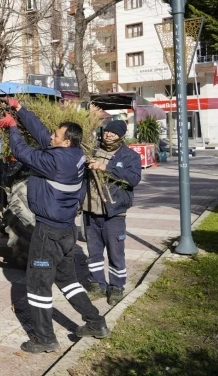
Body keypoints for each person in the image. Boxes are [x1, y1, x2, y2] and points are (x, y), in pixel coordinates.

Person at [0, 99, 110, 353]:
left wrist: (13, 127)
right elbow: (42, 136)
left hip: (49, 233)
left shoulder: (54, 162)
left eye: (56, 135)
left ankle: (44, 339)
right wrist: (21, 110)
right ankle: (96, 322)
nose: (51, 136)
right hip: (66, 230)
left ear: (66, 141)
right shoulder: (75, 154)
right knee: (68, 281)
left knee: (37, 284)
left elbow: (23, 152)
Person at [83, 119, 141, 306]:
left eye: (113, 133)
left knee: (116, 252)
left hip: (113, 213)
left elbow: (133, 179)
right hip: (90, 211)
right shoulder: (91, 152)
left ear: (122, 136)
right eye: (107, 131)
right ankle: (97, 284)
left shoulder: (129, 156)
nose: (108, 134)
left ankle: (116, 287)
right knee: (94, 252)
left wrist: (106, 168)